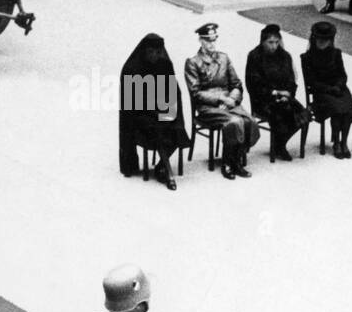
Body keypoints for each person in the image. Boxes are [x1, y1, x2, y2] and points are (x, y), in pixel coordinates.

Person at [184, 22, 260, 179]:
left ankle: (236, 160)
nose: (211, 44)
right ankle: (227, 163)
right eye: (207, 40)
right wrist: (220, 99)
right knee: (234, 121)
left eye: (213, 40)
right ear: (200, 41)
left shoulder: (224, 58)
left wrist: (232, 98)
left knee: (249, 121)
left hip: (229, 102)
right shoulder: (193, 62)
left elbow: (237, 84)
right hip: (208, 107)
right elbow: (196, 92)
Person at [121, 33, 191, 190]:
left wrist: (167, 111)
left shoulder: (165, 65)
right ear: (145, 51)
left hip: (161, 111)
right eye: (151, 52)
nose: (155, 55)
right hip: (141, 116)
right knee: (158, 130)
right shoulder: (133, 68)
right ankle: (168, 173)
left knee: (176, 129)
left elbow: (173, 93)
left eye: (158, 52)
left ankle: (161, 166)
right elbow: (133, 103)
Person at [246, 24, 309, 162]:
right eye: (270, 42)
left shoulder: (285, 56)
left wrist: (288, 94)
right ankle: (279, 146)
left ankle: (280, 143)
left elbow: (291, 80)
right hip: (263, 99)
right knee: (281, 113)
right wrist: (274, 93)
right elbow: (254, 84)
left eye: (276, 42)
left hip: (285, 97)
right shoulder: (254, 56)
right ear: (263, 42)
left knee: (304, 115)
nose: (274, 46)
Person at [301, 21, 352, 159]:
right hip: (322, 93)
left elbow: (342, 75)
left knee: (349, 108)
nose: (322, 42)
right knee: (338, 109)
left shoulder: (336, 54)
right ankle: (336, 144)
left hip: (339, 89)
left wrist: (338, 86)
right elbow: (312, 82)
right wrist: (329, 89)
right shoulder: (308, 57)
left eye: (325, 40)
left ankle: (343, 142)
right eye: (319, 39)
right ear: (314, 39)